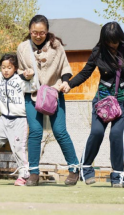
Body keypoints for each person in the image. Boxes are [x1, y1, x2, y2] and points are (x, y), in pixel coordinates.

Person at [63, 21, 124, 187]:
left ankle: (117, 175)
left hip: (123, 101)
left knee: (116, 135)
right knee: (96, 132)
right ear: (103, 39)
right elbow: (85, 72)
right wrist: (70, 84)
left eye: (115, 41)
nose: (112, 44)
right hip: (103, 101)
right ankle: (86, 168)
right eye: (109, 41)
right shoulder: (98, 52)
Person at [17, 15, 80, 186]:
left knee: (59, 131)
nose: (38, 35)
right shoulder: (22, 47)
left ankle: (74, 168)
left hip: (54, 92)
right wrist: (25, 74)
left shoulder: (56, 45)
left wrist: (66, 82)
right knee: (35, 132)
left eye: (42, 32)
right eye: (34, 32)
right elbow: (20, 71)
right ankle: (34, 173)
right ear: (30, 31)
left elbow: (65, 67)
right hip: (33, 94)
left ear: (47, 31)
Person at [0, 54, 37, 186]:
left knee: (17, 148)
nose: (5, 70)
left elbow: (34, 88)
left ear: (15, 68)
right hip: (3, 119)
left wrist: (31, 77)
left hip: (19, 120)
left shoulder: (20, 80)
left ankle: (23, 174)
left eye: (9, 67)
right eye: (3, 67)